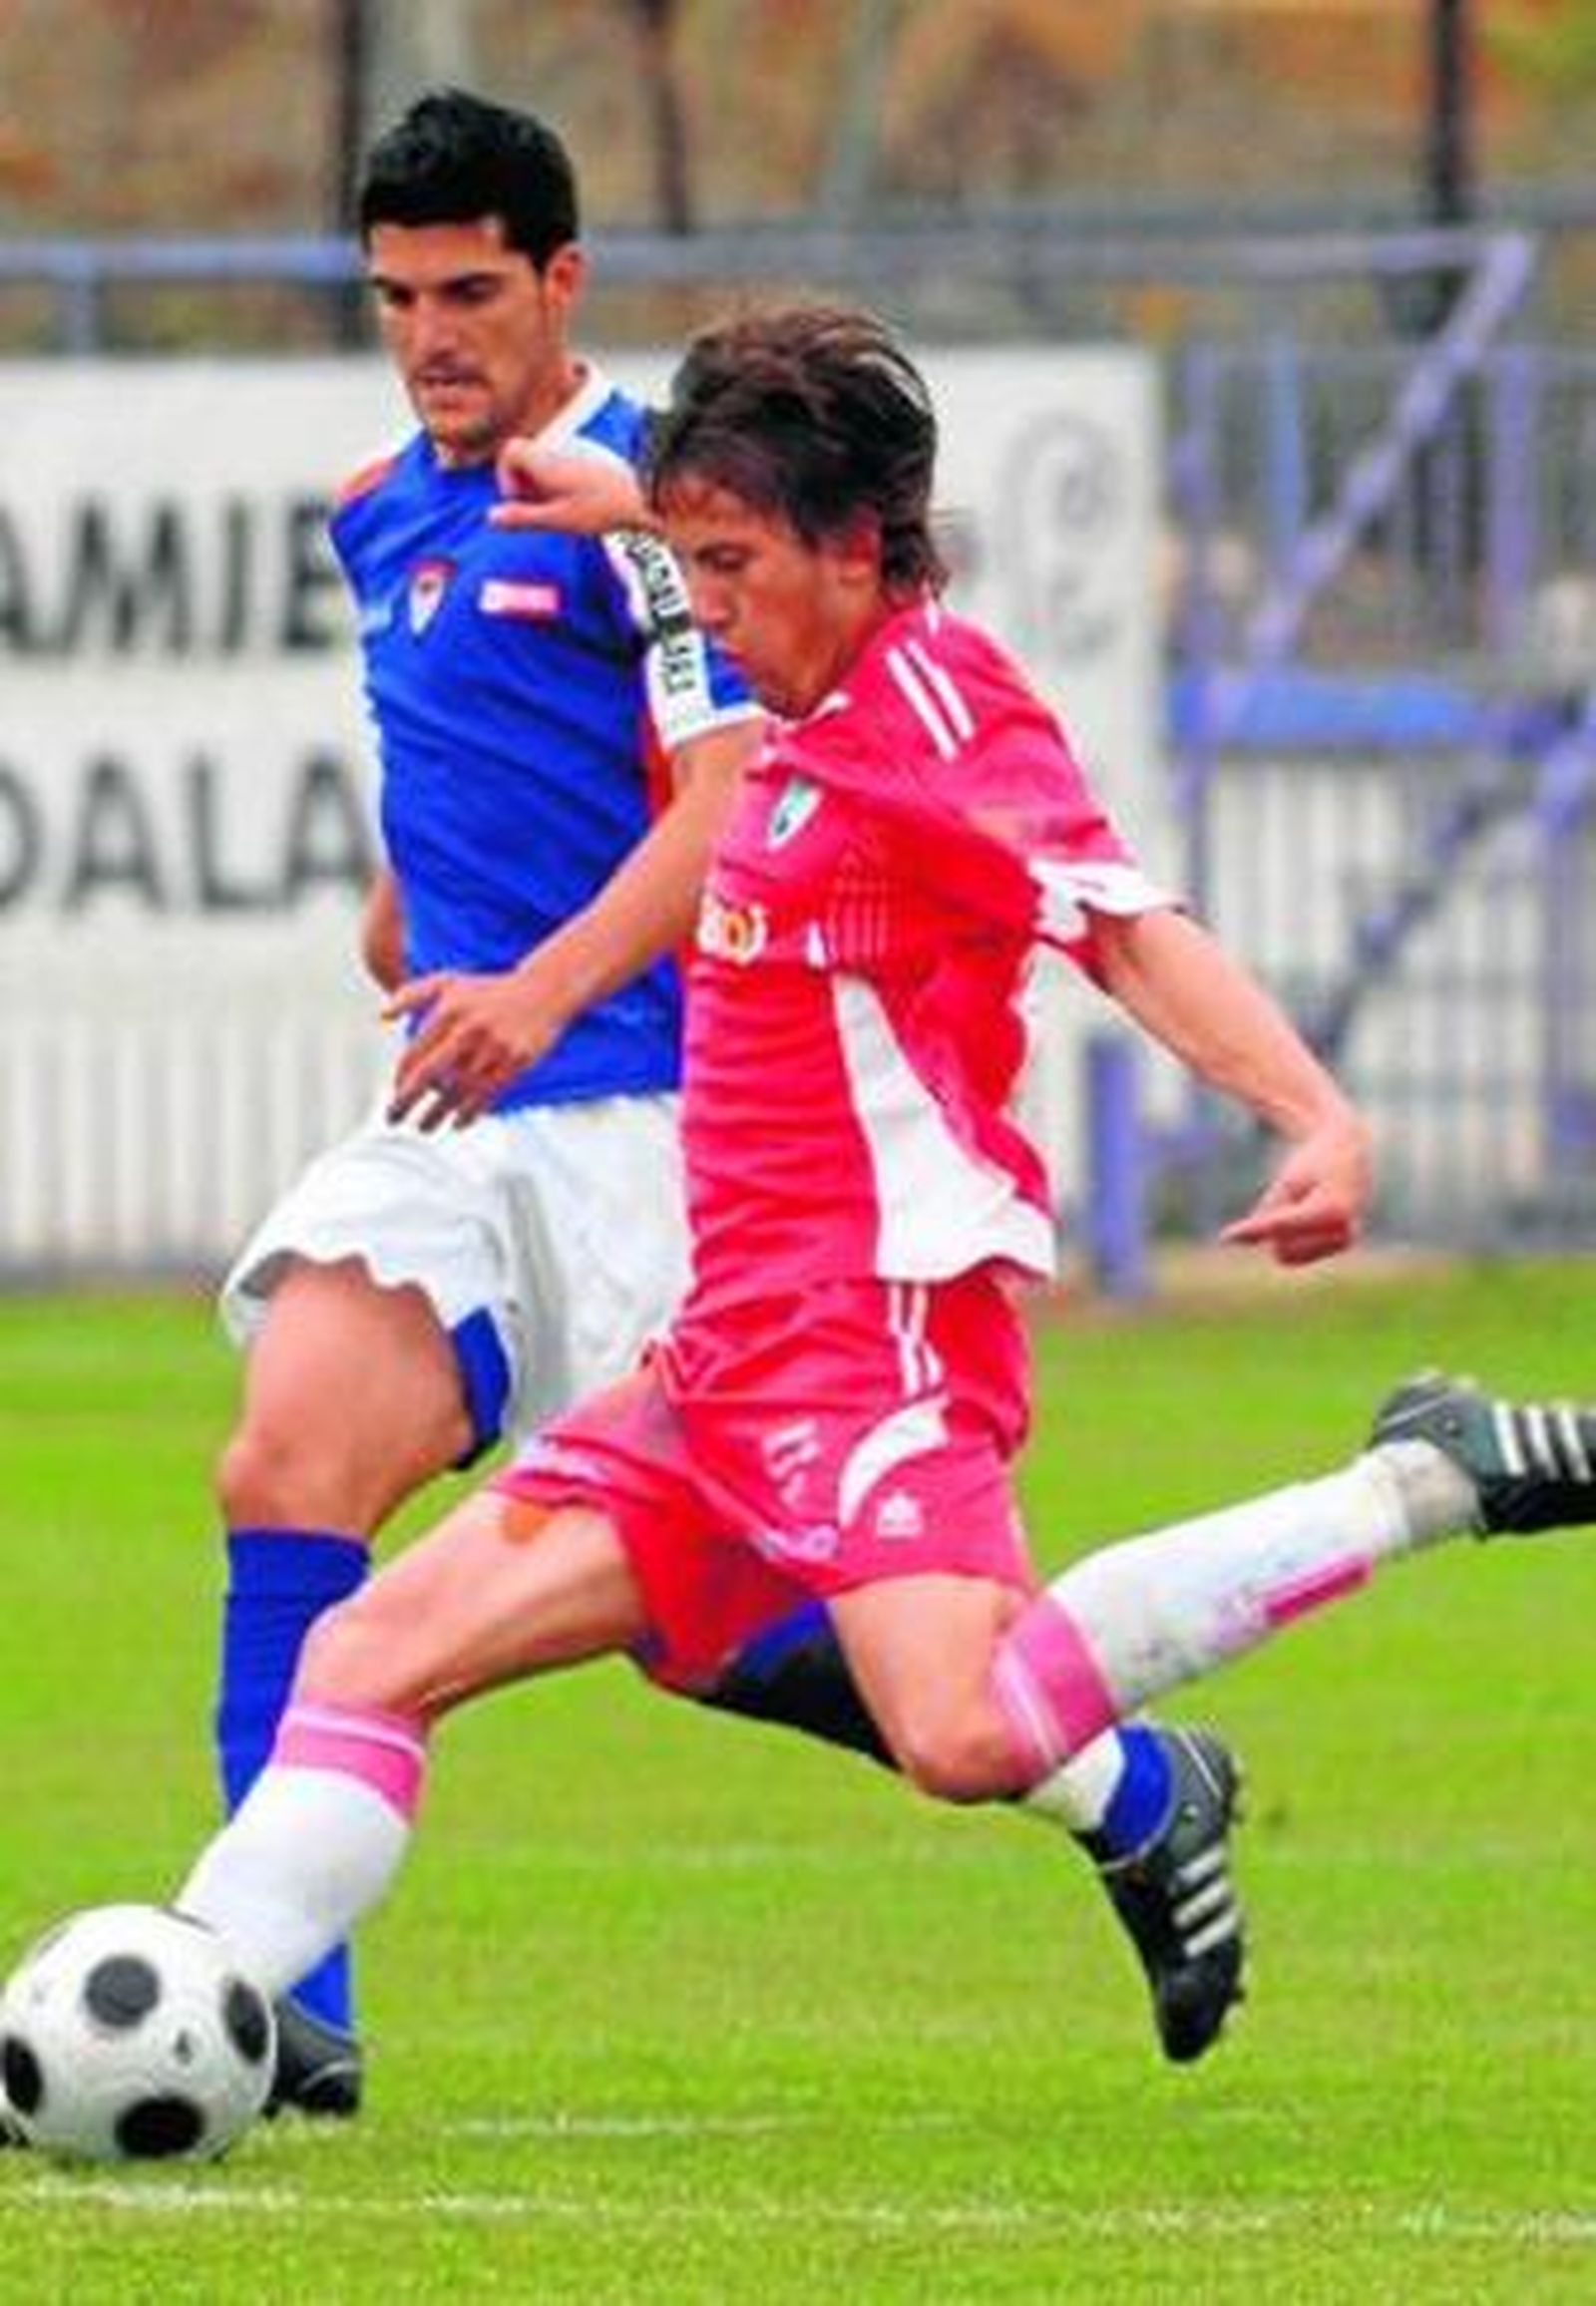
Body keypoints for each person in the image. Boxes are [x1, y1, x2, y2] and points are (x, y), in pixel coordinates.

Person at [166, 305, 1596, 2094]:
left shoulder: (936, 718)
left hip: (879, 1341)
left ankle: (1425, 1479)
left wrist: (1312, 1111)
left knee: (968, 1732)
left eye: (733, 565)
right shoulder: (793, 675)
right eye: (689, 559)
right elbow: (705, 565)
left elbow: (1125, 926)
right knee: (373, 1655)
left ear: (857, 551)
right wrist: (638, 521)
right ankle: (182, 2011)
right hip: (718, 1369)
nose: (708, 602)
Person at [208, 90, 1247, 2115]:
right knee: (284, 1461)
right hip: (456, 1115)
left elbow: (715, 808)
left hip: (654, 1121)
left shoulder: (649, 511)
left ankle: (1114, 1774)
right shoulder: (374, 513)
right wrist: (418, 917)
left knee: (721, 1631)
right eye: (397, 295)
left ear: (559, 283)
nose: (430, 332)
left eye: (470, 290)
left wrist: (536, 979)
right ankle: (266, 1995)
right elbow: (456, 786)